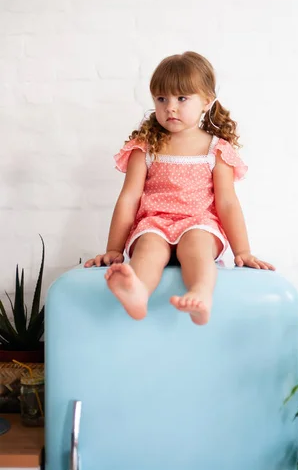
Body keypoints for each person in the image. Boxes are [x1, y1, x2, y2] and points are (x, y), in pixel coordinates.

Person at [84, 51, 275, 325]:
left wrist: (242, 251)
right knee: (148, 248)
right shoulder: (145, 147)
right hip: (154, 223)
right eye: (162, 99)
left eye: (182, 98)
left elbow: (227, 203)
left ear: (206, 101)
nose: (170, 107)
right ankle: (137, 292)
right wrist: (114, 248)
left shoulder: (216, 149)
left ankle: (201, 295)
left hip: (200, 223)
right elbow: (129, 198)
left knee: (196, 245)